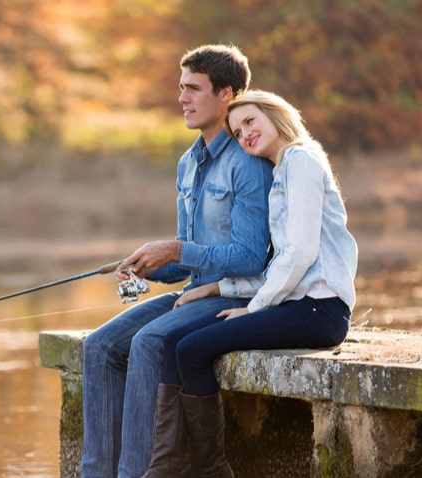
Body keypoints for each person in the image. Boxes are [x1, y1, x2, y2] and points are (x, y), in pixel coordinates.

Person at [142, 89, 358, 477]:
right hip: (298, 306)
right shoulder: (281, 171)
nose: (244, 135)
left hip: (319, 311)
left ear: (276, 114)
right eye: (238, 131)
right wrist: (216, 288)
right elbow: (278, 263)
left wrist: (253, 308)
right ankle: (168, 468)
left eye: (250, 122)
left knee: (191, 349)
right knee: (176, 343)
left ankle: (210, 470)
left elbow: (302, 253)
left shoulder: (302, 161)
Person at [81, 44, 274, 478]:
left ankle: (136, 473)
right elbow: (186, 262)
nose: (181, 98)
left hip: (234, 295)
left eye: (193, 89)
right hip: (194, 292)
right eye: (180, 87)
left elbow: (249, 256)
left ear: (227, 94)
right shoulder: (188, 163)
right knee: (99, 347)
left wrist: (176, 250)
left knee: (150, 343)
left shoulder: (248, 162)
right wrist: (149, 265)